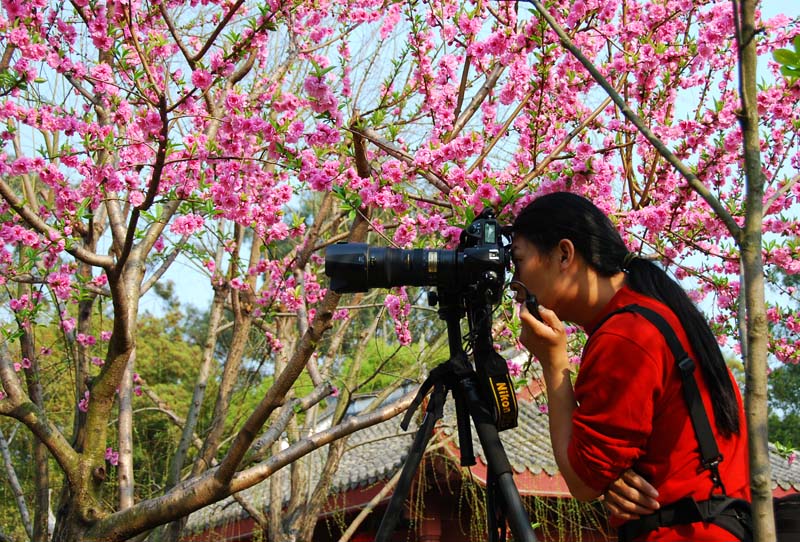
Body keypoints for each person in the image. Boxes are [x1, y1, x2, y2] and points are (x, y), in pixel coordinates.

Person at [511, 191, 751, 541]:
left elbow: (582, 482)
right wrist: (610, 478)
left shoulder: (627, 335)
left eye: (518, 261)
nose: (515, 286)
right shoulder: (652, 315)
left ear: (564, 254)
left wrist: (553, 364)